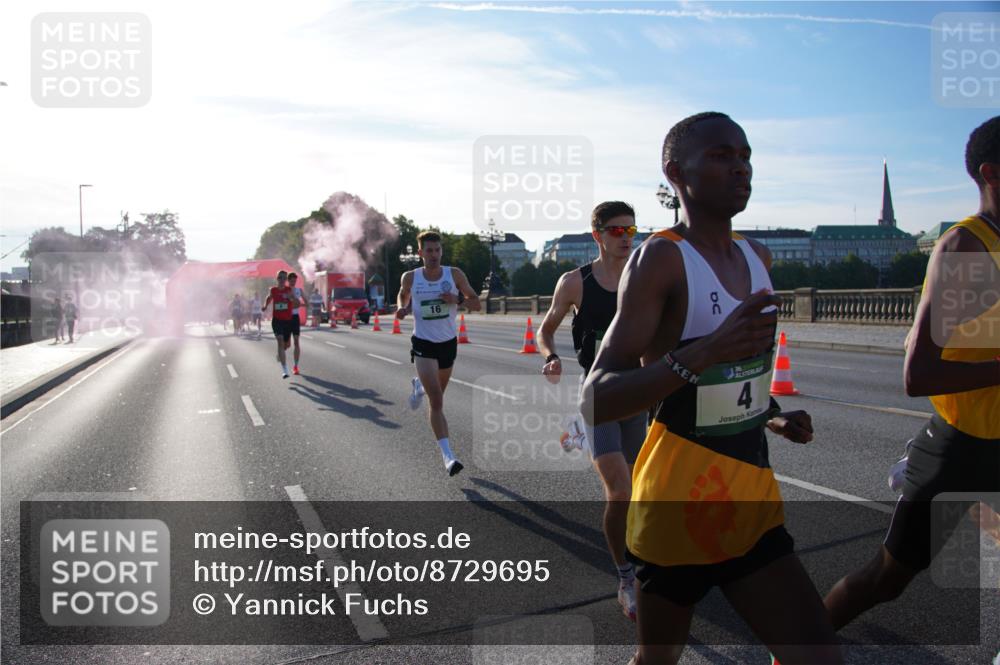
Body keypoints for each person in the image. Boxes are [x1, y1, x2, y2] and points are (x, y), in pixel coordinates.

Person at [583, 112, 841, 665]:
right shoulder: (662, 258)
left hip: (751, 501)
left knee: (819, 656)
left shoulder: (759, 257)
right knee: (658, 661)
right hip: (678, 509)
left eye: (745, 155)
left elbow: (737, 379)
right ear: (677, 173)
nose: (741, 168)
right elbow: (598, 395)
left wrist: (771, 414)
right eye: (722, 156)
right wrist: (701, 353)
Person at [823, 116, 1000, 632]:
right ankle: (795, 645)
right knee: (887, 581)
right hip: (963, 452)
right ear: (992, 173)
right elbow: (918, 374)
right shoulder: (966, 247)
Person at [538, 200, 647, 621]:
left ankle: (575, 432)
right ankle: (625, 577)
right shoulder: (575, 282)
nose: (625, 238)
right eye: (617, 231)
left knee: (640, 491)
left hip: (639, 394)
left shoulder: (645, 278)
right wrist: (550, 356)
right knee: (619, 491)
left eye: (631, 231)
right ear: (597, 234)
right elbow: (547, 329)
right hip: (598, 394)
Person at [396, 231, 482, 477]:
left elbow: (476, 303)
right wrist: (402, 308)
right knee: (437, 401)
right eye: (429, 251)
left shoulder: (453, 274)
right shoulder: (411, 277)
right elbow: (403, 295)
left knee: (436, 394)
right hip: (423, 343)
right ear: (420, 252)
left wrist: (456, 299)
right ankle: (448, 457)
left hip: (447, 344)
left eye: (437, 250)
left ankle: (418, 386)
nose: (433, 255)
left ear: (441, 252)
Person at [262, 270, 300, 378]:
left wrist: (290, 298)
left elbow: (297, 303)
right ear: (277, 279)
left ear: (286, 280)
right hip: (277, 320)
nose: (282, 280)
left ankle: (280, 354)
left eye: (284, 278)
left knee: (286, 345)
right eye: (280, 278)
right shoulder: (273, 290)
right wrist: (265, 306)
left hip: (288, 321)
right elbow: (269, 298)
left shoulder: (289, 290)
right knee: (280, 341)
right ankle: (285, 370)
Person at [287, 272, 305, 375]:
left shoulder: (299, 290)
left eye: (295, 280)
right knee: (286, 344)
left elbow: (306, 303)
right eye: (291, 280)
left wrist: (299, 304)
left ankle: (295, 366)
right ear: (288, 281)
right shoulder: (285, 291)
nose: (293, 282)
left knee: (296, 342)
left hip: (295, 318)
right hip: (286, 318)